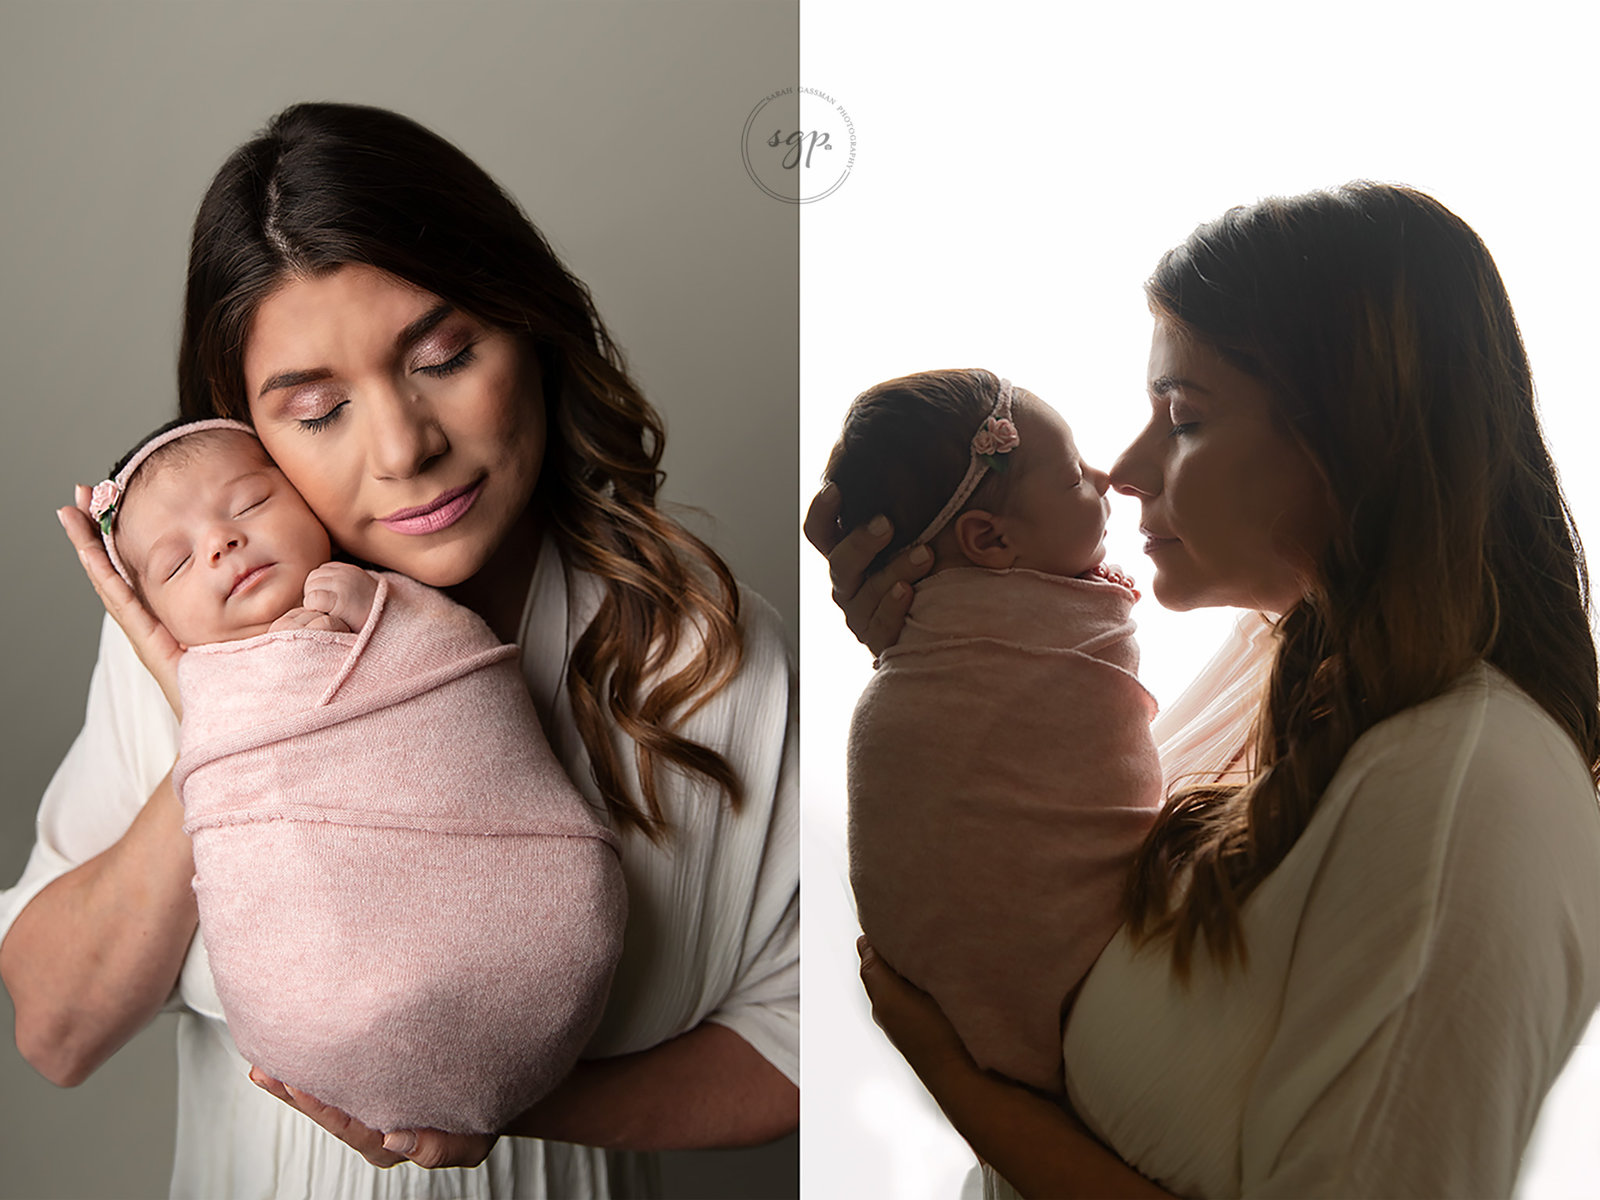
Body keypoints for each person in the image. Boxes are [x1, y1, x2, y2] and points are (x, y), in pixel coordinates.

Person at [1, 102, 796, 1198]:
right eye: (318, 411)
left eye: (445, 355)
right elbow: (55, 1030)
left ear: (530, 327)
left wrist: (504, 1104)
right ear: (246, 434)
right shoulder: (189, 634)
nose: (403, 447)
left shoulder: (704, 655)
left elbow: (810, 1040)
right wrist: (227, 725)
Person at [807, 182, 1600, 1197]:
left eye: (1180, 418)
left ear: (1352, 438)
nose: (1125, 468)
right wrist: (942, 630)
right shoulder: (1290, 671)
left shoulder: (1467, 795)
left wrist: (964, 1086)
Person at [91, 416, 625, 1136]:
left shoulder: (389, 601)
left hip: (541, 917)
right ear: (157, 617)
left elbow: (460, 673)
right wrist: (219, 715)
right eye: (176, 564)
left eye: (249, 504)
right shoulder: (198, 691)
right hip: (321, 1015)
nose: (220, 543)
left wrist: (383, 620)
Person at [826, 368, 1161, 1094]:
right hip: (1054, 990)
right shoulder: (1015, 636)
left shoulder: (947, 626)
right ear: (989, 539)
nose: (1108, 478)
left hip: (959, 1020)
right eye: (1074, 478)